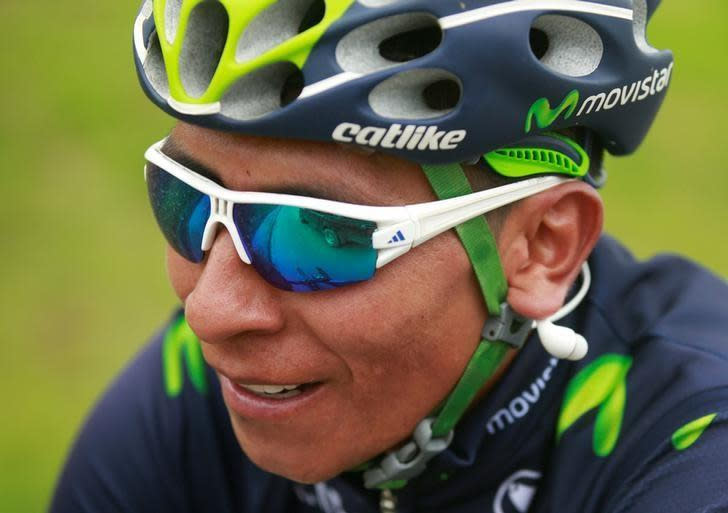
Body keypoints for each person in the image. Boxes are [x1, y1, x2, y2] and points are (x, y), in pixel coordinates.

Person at [51, 0, 728, 512]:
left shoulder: (698, 452)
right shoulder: (204, 398)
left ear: (541, 248)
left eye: (316, 234)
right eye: (184, 200)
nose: (209, 311)